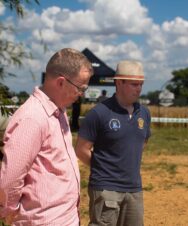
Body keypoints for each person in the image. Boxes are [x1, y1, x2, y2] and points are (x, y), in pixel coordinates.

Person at [0, 48, 93, 225]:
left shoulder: (59, 111)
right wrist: (11, 212)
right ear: (60, 82)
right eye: (80, 88)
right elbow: (10, 179)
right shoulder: (33, 118)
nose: (82, 94)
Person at [75, 60, 151, 226]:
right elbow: (81, 149)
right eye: (134, 84)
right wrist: (105, 167)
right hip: (106, 189)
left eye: (141, 84)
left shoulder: (144, 113)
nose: (139, 89)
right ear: (119, 83)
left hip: (134, 189)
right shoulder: (99, 113)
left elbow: (142, 143)